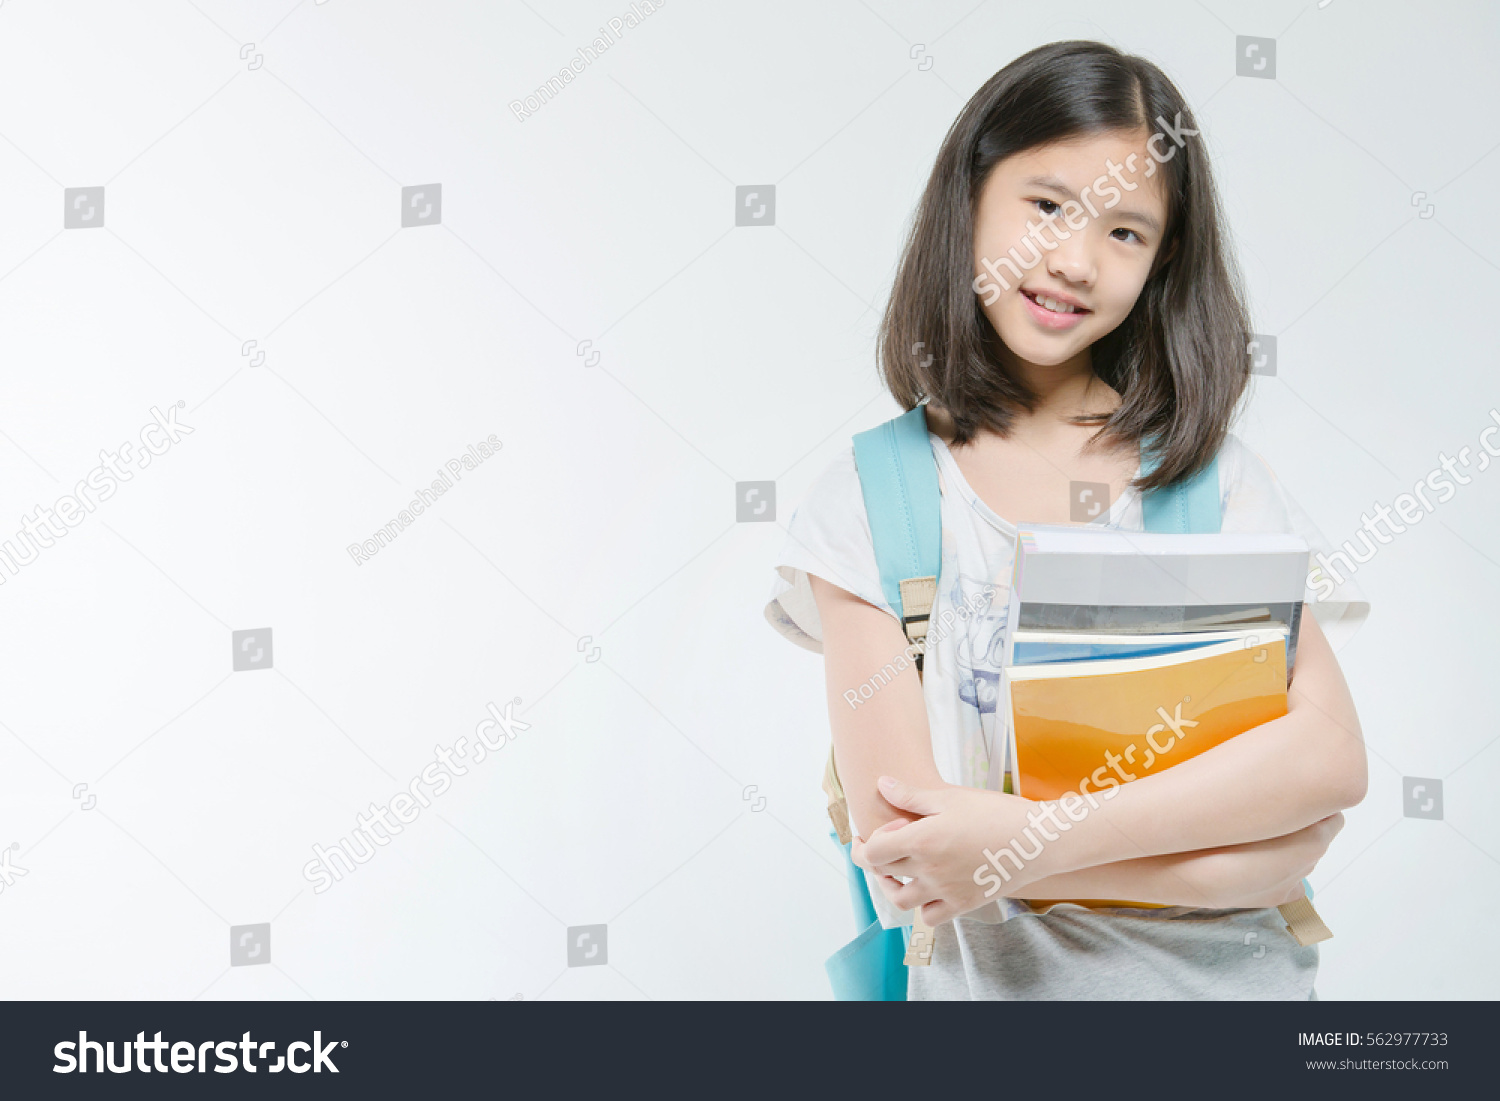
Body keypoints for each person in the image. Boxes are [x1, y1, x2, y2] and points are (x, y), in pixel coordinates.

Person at [763, 40, 1371, 1000]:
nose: (1076, 260)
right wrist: (1229, 856)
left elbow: (1329, 762)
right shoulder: (872, 503)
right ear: (969, 196)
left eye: (1127, 231)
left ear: (1163, 260)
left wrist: (1002, 849)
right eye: (1047, 205)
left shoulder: (1212, 485)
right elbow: (908, 860)